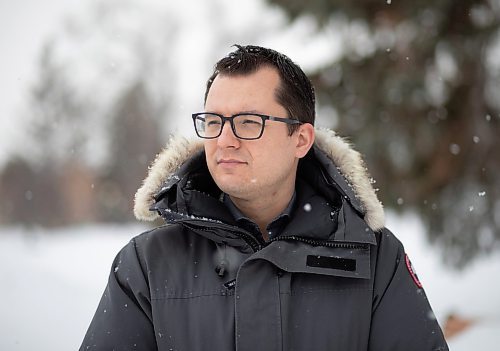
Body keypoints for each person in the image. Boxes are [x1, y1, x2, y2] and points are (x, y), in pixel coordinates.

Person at [80, 45, 448, 351]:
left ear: (301, 140)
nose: (225, 139)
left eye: (249, 122)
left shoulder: (374, 257)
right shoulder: (147, 264)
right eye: (213, 121)